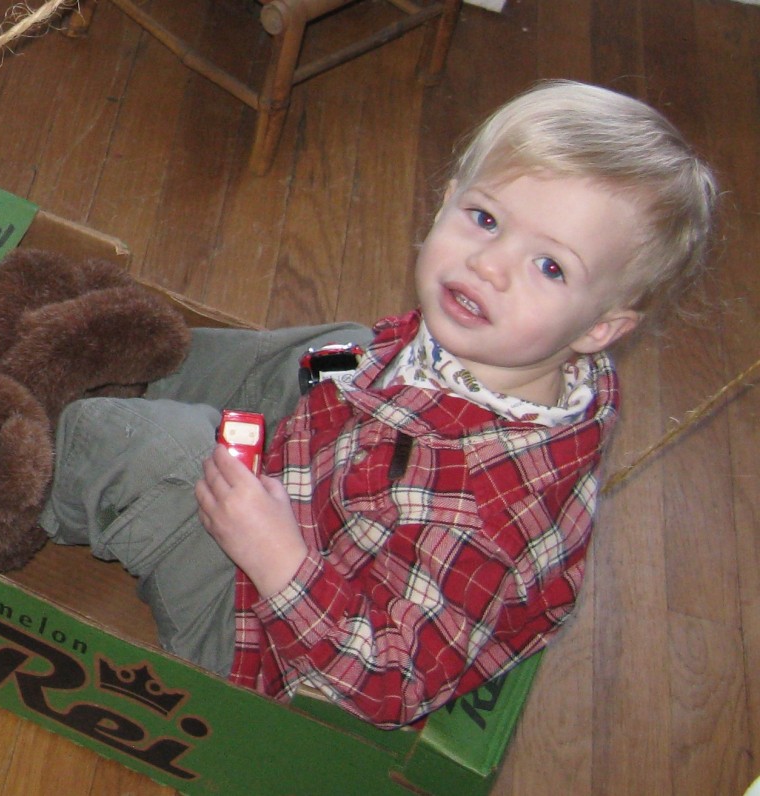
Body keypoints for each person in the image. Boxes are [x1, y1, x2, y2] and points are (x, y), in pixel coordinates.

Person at [38, 80, 718, 728]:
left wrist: (277, 557)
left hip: (269, 641)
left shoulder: (478, 515)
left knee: (156, 451)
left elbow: (388, 684)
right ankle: (139, 370)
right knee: (343, 348)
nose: (489, 265)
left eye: (550, 266)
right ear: (448, 200)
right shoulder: (512, 352)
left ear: (601, 327)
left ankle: (28, 475)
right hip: (340, 471)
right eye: (484, 218)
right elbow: (380, 373)